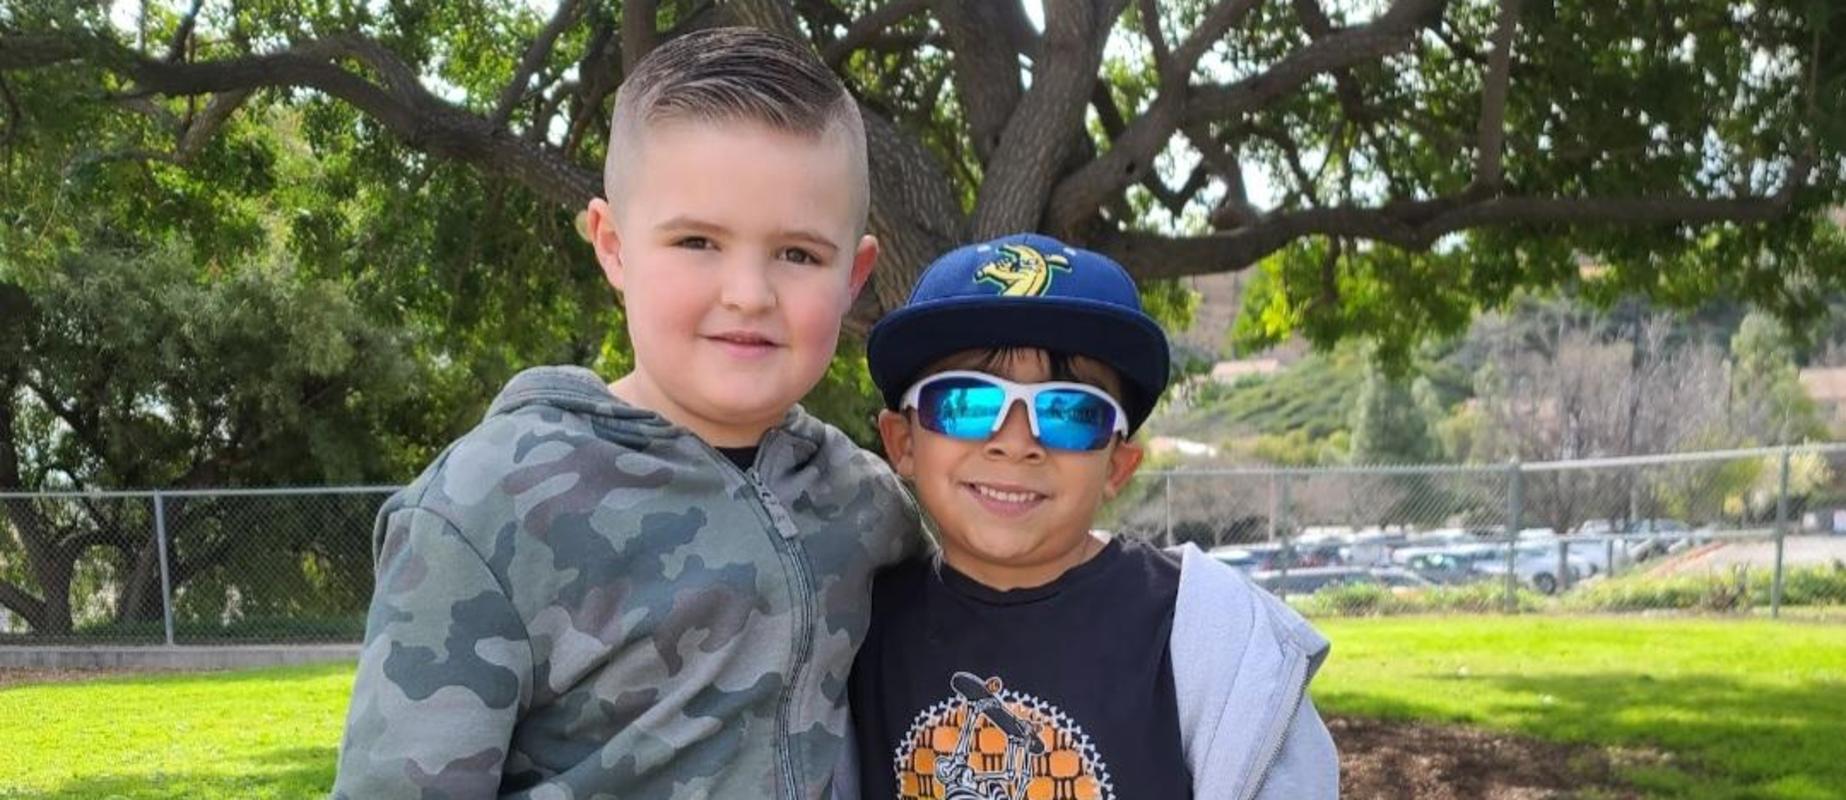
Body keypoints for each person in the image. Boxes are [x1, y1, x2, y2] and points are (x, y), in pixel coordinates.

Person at [332, 27, 920, 799]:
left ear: (855, 276)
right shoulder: (487, 507)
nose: (749, 293)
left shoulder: (869, 506)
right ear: (612, 246)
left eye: (799, 255)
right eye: (698, 241)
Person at [843, 233, 1339, 799]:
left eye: (1071, 413)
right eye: (967, 403)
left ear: (1117, 467)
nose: (1016, 442)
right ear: (902, 442)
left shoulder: (1207, 640)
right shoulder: (854, 629)